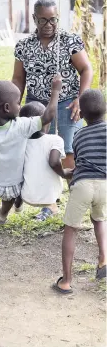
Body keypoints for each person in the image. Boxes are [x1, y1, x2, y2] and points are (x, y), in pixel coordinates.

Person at [12, 0, 93, 220]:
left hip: (67, 102)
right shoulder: (24, 46)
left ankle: (75, 200)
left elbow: (86, 69)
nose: (49, 24)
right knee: (38, 151)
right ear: (34, 19)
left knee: (67, 152)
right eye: (43, 20)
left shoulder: (69, 40)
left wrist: (80, 98)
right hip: (35, 104)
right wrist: (14, 104)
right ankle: (49, 202)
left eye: (53, 19)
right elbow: (18, 79)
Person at [0, 75, 62, 224]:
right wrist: (55, 91)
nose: (20, 107)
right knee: (10, 198)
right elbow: (47, 116)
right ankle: (2, 215)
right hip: (13, 187)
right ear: (7, 108)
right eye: (18, 103)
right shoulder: (21, 126)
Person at [53, 89, 107, 294]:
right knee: (100, 220)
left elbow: (80, 162)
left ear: (81, 114)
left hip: (83, 184)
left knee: (71, 229)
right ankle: (103, 259)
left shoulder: (79, 134)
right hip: (104, 185)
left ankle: (66, 281)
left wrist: (68, 173)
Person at [14, 102, 73, 215]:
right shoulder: (55, 140)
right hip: (52, 196)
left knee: (18, 169)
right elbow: (54, 162)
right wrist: (63, 173)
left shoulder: (19, 143)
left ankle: (17, 202)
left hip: (27, 196)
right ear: (47, 122)